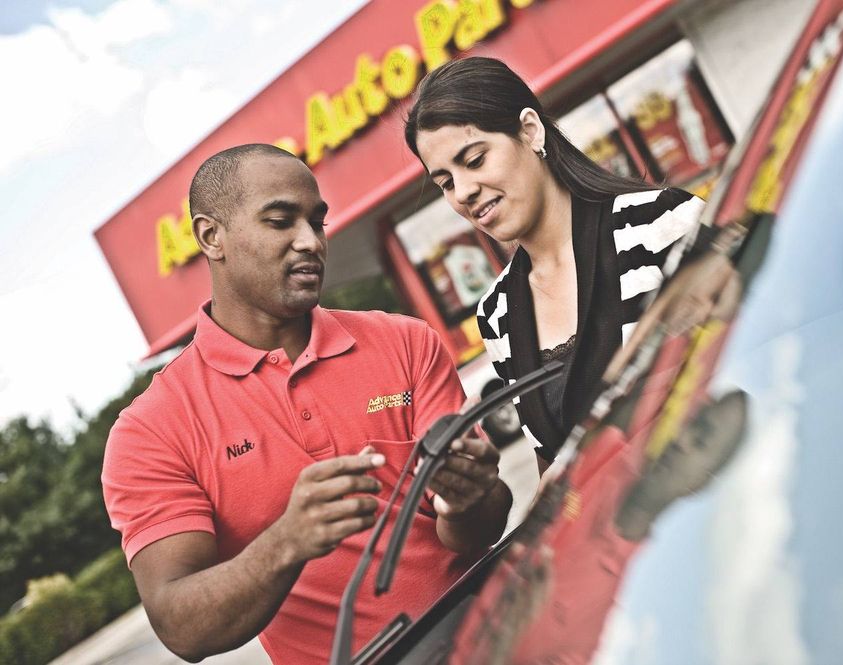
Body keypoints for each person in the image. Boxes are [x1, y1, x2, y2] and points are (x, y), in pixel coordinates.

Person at [101, 144, 512, 664]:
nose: (310, 241)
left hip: (499, 640)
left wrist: (469, 498)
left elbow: (476, 530)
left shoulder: (405, 342)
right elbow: (181, 628)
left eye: (317, 222)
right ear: (210, 236)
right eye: (280, 221)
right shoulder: (150, 430)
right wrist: (288, 541)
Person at [405, 56, 718, 464]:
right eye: (446, 182)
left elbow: (747, 353)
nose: (463, 192)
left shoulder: (658, 222)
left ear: (530, 131)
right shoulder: (497, 313)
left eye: (475, 160)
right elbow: (551, 464)